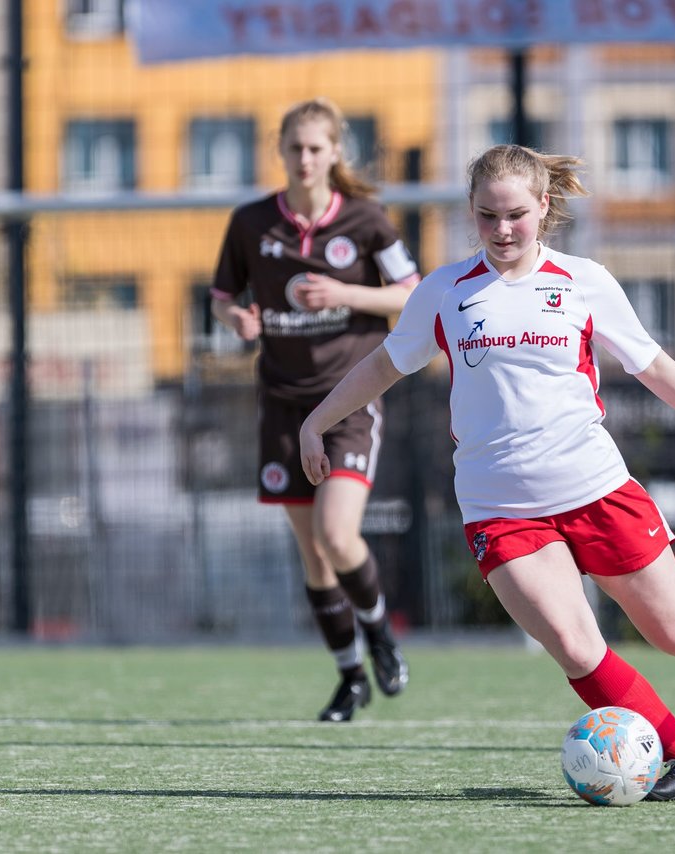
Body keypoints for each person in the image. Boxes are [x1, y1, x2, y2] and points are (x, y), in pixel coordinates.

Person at [299, 144, 675, 799]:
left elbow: (653, 366)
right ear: (471, 212)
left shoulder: (582, 281)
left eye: (515, 215)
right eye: (487, 216)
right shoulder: (444, 291)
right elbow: (385, 364)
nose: (501, 230)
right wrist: (315, 420)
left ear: (544, 207)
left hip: (597, 490)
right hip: (500, 508)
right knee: (577, 648)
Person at [210, 97, 416, 722]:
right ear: (281, 150)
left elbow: (413, 297)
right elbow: (221, 294)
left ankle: (379, 631)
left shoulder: (367, 220)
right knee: (313, 554)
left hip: (345, 401)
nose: (304, 159)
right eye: (295, 147)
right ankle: (350, 675)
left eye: (316, 148)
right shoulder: (251, 223)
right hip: (279, 402)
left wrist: (346, 292)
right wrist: (235, 317)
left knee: (337, 531)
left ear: (334, 154)